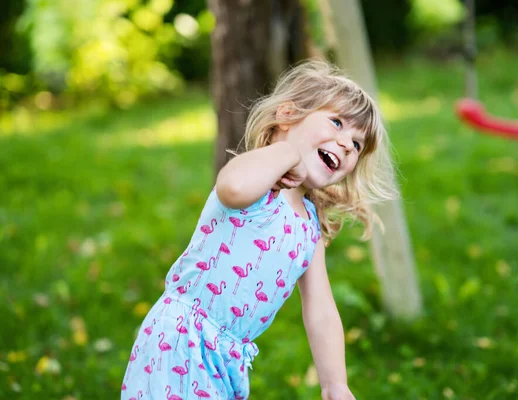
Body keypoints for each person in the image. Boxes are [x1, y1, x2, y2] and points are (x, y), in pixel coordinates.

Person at [121, 60, 398, 400]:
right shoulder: (258, 181)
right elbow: (232, 188)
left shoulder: (309, 227)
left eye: (356, 144)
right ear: (287, 115)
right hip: (180, 340)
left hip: (229, 359)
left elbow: (321, 308)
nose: (344, 144)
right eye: (337, 123)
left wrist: (335, 384)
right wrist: (286, 152)